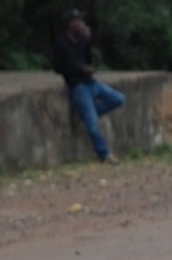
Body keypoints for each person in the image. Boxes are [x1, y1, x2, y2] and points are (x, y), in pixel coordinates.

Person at [53, 9, 124, 164]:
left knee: (118, 99)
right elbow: (59, 67)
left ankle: (87, 115)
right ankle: (104, 154)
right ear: (71, 24)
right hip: (78, 86)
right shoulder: (61, 43)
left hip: (91, 82)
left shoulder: (81, 41)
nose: (83, 24)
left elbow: (87, 59)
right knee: (93, 126)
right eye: (79, 21)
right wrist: (79, 69)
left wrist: (87, 42)